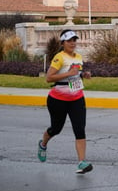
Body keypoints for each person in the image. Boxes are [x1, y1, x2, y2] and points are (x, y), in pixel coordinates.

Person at [37, 29, 93, 174]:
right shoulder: (59, 57)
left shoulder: (78, 57)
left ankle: (81, 163)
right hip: (58, 100)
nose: (72, 43)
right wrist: (69, 73)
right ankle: (43, 144)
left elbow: (76, 75)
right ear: (63, 43)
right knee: (56, 129)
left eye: (74, 40)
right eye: (69, 41)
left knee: (79, 129)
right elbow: (49, 78)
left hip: (77, 98)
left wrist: (83, 74)